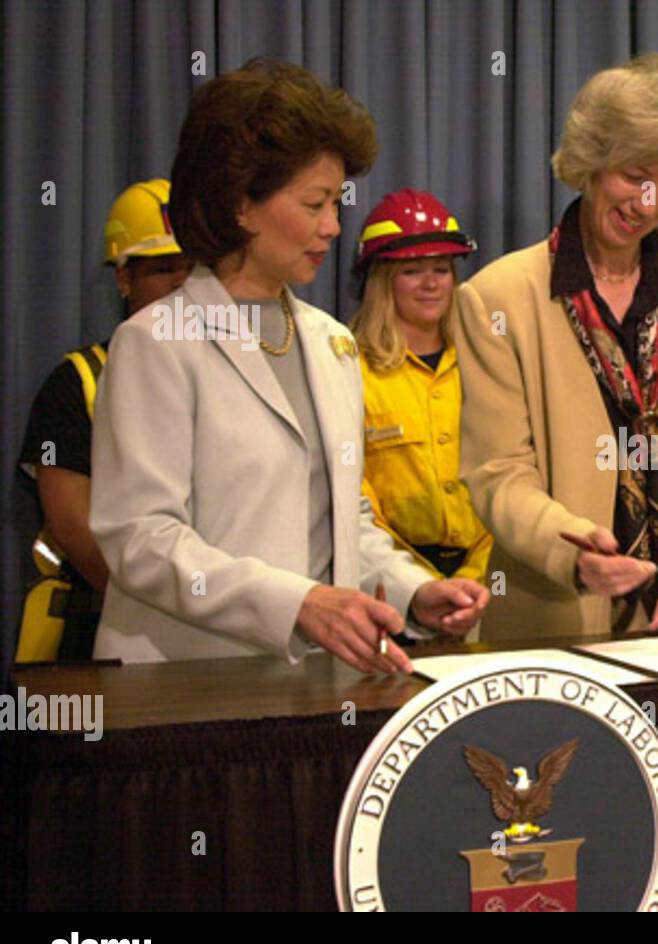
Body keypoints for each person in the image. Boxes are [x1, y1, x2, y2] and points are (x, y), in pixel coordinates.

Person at [89, 58, 488, 673]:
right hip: (186, 684)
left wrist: (415, 591)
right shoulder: (155, 344)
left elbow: (341, 524)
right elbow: (141, 541)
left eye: (334, 203)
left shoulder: (332, 343)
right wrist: (297, 604)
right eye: (314, 204)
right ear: (241, 204)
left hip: (315, 685)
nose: (332, 227)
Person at [454, 53, 658, 642]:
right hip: (556, 618)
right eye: (634, 175)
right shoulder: (495, 296)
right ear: (591, 163)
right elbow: (497, 473)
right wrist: (569, 548)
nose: (647, 204)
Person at [15, 179, 192, 661]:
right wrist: (164, 616)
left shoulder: (240, 379)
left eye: (194, 268)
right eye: (164, 268)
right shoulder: (77, 382)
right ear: (124, 279)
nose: (182, 283)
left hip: (219, 627)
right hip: (103, 625)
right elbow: (74, 525)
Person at [350, 189, 492, 621]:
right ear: (381, 281)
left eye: (441, 269)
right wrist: (416, 586)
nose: (431, 283)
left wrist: (477, 578)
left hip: (488, 588)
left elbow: (513, 470)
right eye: (412, 271)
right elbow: (351, 499)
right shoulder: (349, 369)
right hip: (389, 595)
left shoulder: (487, 361)